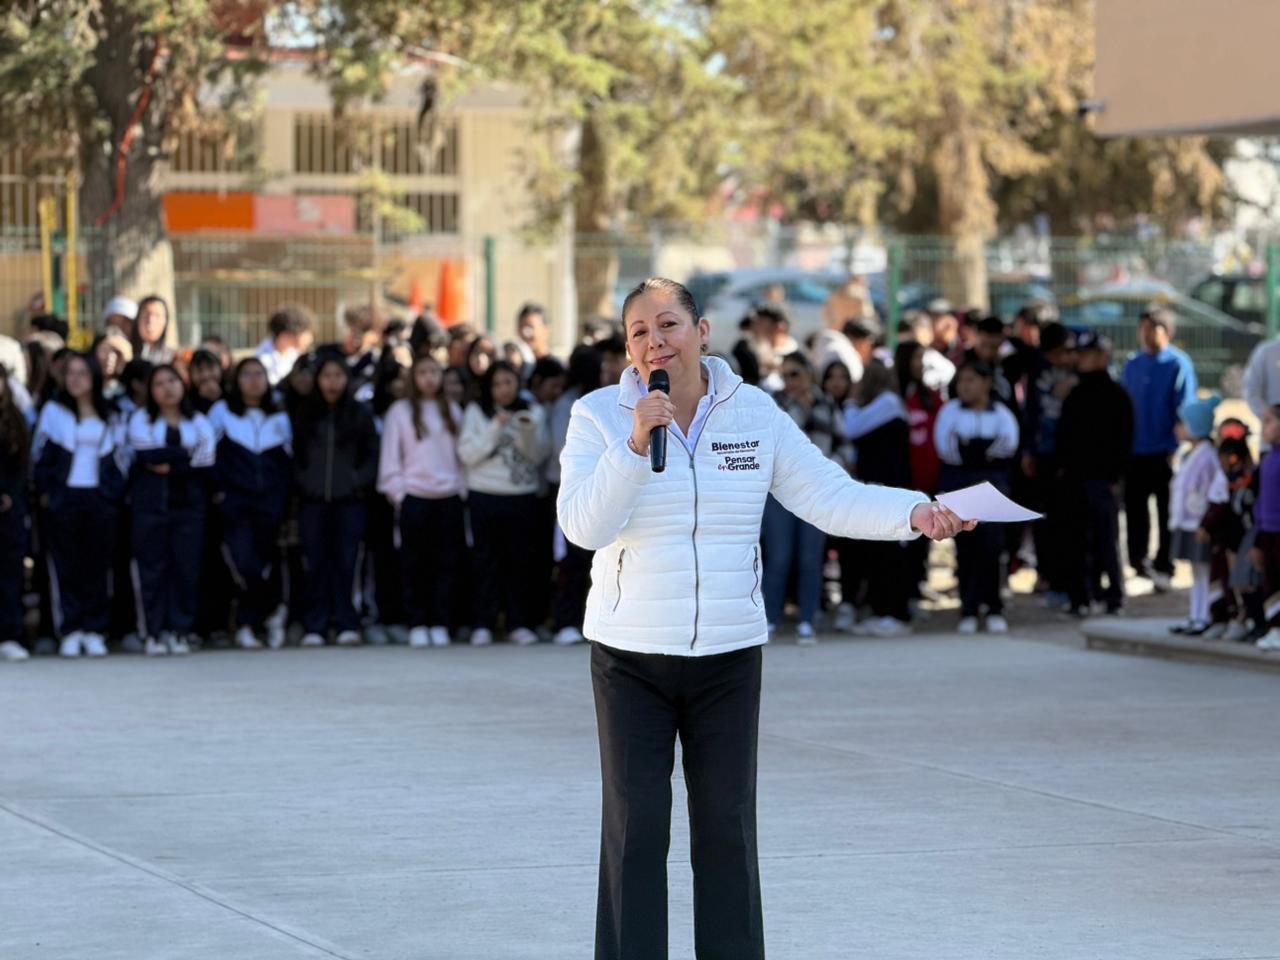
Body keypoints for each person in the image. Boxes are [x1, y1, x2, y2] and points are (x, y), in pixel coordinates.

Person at [557, 277, 972, 960]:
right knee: (636, 830)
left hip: (727, 656)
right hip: (630, 657)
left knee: (726, 828)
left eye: (668, 324)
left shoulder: (755, 414)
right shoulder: (599, 416)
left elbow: (830, 496)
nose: (654, 341)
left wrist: (914, 513)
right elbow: (582, 527)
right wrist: (633, 446)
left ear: (701, 332)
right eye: (638, 331)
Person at [32, 353, 127, 658]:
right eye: (70, 373)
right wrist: (48, 493)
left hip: (99, 499)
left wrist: (110, 494)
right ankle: (70, 629)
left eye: (83, 373)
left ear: (95, 377)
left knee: (97, 566)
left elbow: (122, 459)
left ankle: (95, 629)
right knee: (65, 566)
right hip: (65, 498)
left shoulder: (111, 413)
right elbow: (39, 455)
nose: (75, 379)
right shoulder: (53, 410)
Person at [761, 351, 853, 642]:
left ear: (808, 375)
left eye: (794, 375)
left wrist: (829, 470)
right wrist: (799, 404)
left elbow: (844, 444)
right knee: (778, 557)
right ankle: (769, 619)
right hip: (780, 492)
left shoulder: (827, 403)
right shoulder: (775, 404)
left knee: (811, 559)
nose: (788, 381)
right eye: (784, 375)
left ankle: (807, 620)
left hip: (816, 492)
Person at [457, 359, 550, 646]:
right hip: (484, 493)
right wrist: (495, 428)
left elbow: (539, 455)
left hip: (521, 496)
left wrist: (523, 430)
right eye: (497, 384)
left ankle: (518, 622)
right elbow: (468, 454)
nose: (503, 390)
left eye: (509, 382)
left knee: (520, 562)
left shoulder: (533, 411)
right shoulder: (476, 411)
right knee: (485, 561)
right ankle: (483, 622)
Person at [377, 354, 467, 648]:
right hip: (414, 497)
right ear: (413, 378)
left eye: (434, 372)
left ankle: (440, 622)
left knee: (447, 564)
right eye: (423, 372)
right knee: (413, 564)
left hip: (449, 497)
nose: (429, 378)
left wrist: (461, 489)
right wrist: (399, 493)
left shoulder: (452, 410)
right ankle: (417, 622)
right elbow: (390, 457)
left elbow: (462, 457)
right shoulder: (400, 412)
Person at [126, 365, 216, 656]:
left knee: (185, 569)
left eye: (172, 381)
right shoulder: (141, 419)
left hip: (189, 507)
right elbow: (145, 455)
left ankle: (180, 630)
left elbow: (205, 460)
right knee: (153, 569)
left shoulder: (199, 421)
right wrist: (183, 457)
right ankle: (153, 631)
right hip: (150, 507)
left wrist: (170, 464)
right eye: (159, 383)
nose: (167, 388)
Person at [292, 356, 379, 647]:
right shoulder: (304, 413)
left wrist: (356, 482)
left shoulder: (359, 413)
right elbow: (295, 455)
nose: (332, 382)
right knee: (315, 563)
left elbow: (371, 455)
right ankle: (315, 625)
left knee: (347, 562)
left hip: (350, 502)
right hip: (313, 502)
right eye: (326, 375)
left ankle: (347, 623)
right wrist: (305, 482)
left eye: (338, 376)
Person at [208, 358, 293, 650]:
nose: (254, 380)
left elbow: (287, 461)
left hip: (269, 503)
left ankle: (252, 623)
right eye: (246, 374)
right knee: (243, 563)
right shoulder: (221, 412)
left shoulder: (280, 415)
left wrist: (282, 498)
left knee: (265, 561)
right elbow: (210, 454)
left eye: (259, 374)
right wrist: (221, 492)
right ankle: (268, 611)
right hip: (236, 503)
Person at [934, 359, 1020, 634]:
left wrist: (976, 448)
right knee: (966, 547)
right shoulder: (950, 411)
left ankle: (994, 607)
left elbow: (1008, 443)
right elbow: (946, 447)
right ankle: (968, 608)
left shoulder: (1001, 413)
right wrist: (977, 451)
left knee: (992, 547)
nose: (965, 386)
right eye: (962, 381)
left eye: (971, 380)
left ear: (986, 383)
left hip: (992, 484)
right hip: (959, 482)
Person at [1055, 332, 1133, 616]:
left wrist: (1115, 477)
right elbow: (1064, 437)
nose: (1081, 359)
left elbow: (1124, 440)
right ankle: (1080, 597)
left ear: (1103, 357)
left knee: (1107, 540)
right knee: (1076, 539)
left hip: (1103, 480)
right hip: (1075, 480)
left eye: (1088, 354)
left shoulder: (1116, 395)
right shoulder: (1074, 393)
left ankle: (1114, 595)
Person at [1122, 306, 1198, 592]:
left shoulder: (1178, 364)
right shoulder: (1133, 364)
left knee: (1167, 511)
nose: (1145, 334)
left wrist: (1177, 445)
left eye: (1152, 328)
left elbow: (1184, 406)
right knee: (1135, 510)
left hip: (1164, 451)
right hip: (1135, 451)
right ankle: (1139, 562)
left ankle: (1165, 564)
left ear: (1166, 332)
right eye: (1142, 328)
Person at [843, 361, 915, 636]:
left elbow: (852, 427)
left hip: (891, 489)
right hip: (876, 489)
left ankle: (895, 613)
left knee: (891, 551)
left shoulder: (889, 402)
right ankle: (881, 610)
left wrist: (850, 402)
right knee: (876, 550)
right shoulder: (882, 404)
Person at [1167, 395, 1227, 636]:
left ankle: (1205, 615)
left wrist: (1205, 522)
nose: (1177, 428)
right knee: (1196, 571)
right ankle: (1195, 615)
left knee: (1204, 571)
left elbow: (1210, 493)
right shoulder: (1188, 454)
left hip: (1200, 524)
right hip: (1188, 522)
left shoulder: (1207, 457)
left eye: (1182, 423)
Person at [0, 366, 30, 662]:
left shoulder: (15, 420)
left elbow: (22, 466)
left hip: (8, 510)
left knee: (10, 575)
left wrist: (9, 494)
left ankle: (10, 635)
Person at [1250, 406, 1280, 650]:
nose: (1264, 426)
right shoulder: (1267, 460)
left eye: (1269, 421)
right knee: (1270, 580)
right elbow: (1259, 500)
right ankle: (1274, 627)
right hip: (1267, 532)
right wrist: (1257, 536)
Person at [257, 303, 316, 387]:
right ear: (286, 335)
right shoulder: (263, 360)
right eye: (305, 333)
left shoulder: (294, 354)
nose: (310, 339)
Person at [132, 295, 177, 365]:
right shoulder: (127, 354)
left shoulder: (174, 358)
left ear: (165, 321)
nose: (150, 321)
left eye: (157, 316)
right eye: (145, 316)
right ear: (137, 320)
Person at [188, 348, 225, 414]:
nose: (206, 375)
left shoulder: (234, 393)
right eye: (199, 370)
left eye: (210, 368)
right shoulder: (186, 401)